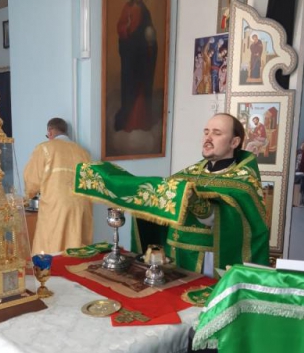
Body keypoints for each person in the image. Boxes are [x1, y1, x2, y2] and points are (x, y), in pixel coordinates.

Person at [75, 113, 269, 274]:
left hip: (209, 259)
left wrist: (192, 199)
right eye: (206, 132)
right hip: (176, 253)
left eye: (217, 133)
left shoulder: (243, 180)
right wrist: (127, 190)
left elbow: (227, 221)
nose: (208, 138)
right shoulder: (191, 172)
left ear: (234, 142)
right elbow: (161, 198)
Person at [24, 118, 93, 254]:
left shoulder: (45, 148)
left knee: (51, 246)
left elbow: (31, 180)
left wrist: (28, 195)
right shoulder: (83, 152)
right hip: (81, 206)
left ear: (50, 131)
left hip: (56, 206)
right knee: (76, 245)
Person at [114, 0, 157, 132]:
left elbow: (151, 34)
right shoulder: (128, 7)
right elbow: (120, 27)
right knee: (130, 89)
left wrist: (151, 42)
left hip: (142, 57)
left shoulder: (146, 11)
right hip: (130, 56)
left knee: (141, 89)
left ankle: (141, 123)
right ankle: (128, 123)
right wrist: (126, 27)